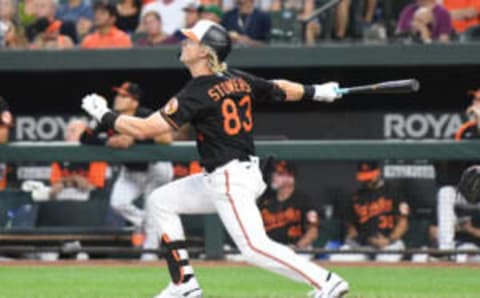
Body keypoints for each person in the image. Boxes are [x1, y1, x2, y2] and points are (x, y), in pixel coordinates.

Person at [81, 19, 348, 298]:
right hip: (231, 174)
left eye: (191, 41)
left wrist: (104, 115)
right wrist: (316, 92)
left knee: (253, 247)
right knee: (161, 201)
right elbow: (279, 87)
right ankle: (184, 284)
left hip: (230, 178)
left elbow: (147, 128)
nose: (184, 43)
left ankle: (326, 281)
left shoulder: (198, 91)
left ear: (205, 53)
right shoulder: (236, 78)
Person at [81, 81, 174, 261]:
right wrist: (108, 142)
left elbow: (166, 139)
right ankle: (144, 222)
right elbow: (85, 138)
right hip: (131, 171)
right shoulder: (110, 117)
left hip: (156, 168)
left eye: (124, 96)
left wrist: (136, 137)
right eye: (118, 95)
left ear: (134, 101)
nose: (118, 99)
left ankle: (149, 258)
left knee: (152, 206)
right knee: (118, 203)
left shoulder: (145, 115)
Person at [330, 162, 409, 262]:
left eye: (370, 177)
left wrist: (389, 240)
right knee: (337, 259)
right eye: (365, 177)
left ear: (378, 173)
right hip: (363, 244)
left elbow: (403, 222)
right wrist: (366, 240)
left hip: (390, 243)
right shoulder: (356, 197)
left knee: (386, 261)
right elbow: (351, 229)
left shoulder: (393, 192)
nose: (367, 181)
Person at [434, 89, 480, 260]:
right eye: (475, 100)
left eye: (479, 101)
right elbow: (452, 166)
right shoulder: (464, 130)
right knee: (446, 192)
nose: (475, 104)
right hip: (471, 192)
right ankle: (446, 250)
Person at [258, 161, 320, 253]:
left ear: (290, 178)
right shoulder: (265, 200)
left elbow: (313, 230)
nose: (274, 177)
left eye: (279, 174)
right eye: (275, 174)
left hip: (296, 250)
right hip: (269, 250)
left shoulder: (303, 200)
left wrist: (298, 247)